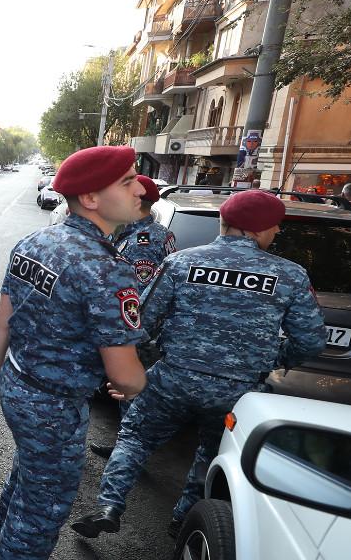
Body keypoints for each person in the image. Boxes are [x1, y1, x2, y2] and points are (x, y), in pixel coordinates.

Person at [71, 189, 326, 541]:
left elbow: (140, 323)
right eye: (275, 226)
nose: (277, 232)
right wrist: (272, 360)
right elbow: (311, 341)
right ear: (257, 229)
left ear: (224, 222)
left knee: (135, 438)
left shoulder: (181, 263)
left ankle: (108, 507)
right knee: (212, 450)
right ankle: (184, 520)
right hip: (238, 391)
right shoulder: (290, 275)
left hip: (173, 378)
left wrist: (139, 364)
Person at [0, 146, 149, 560]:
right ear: (91, 198)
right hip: (55, 407)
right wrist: (136, 385)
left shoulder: (36, 241)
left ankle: (0, 543)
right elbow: (125, 375)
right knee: (42, 510)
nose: (140, 189)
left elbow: (3, 319)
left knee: (28, 476)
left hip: (17, 383)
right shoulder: (106, 268)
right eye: (127, 182)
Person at [89, 174, 176, 458]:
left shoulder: (143, 241)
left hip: (132, 329)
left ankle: (127, 452)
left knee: (129, 394)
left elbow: (133, 295)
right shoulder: (148, 232)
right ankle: (128, 446)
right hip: (136, 328)